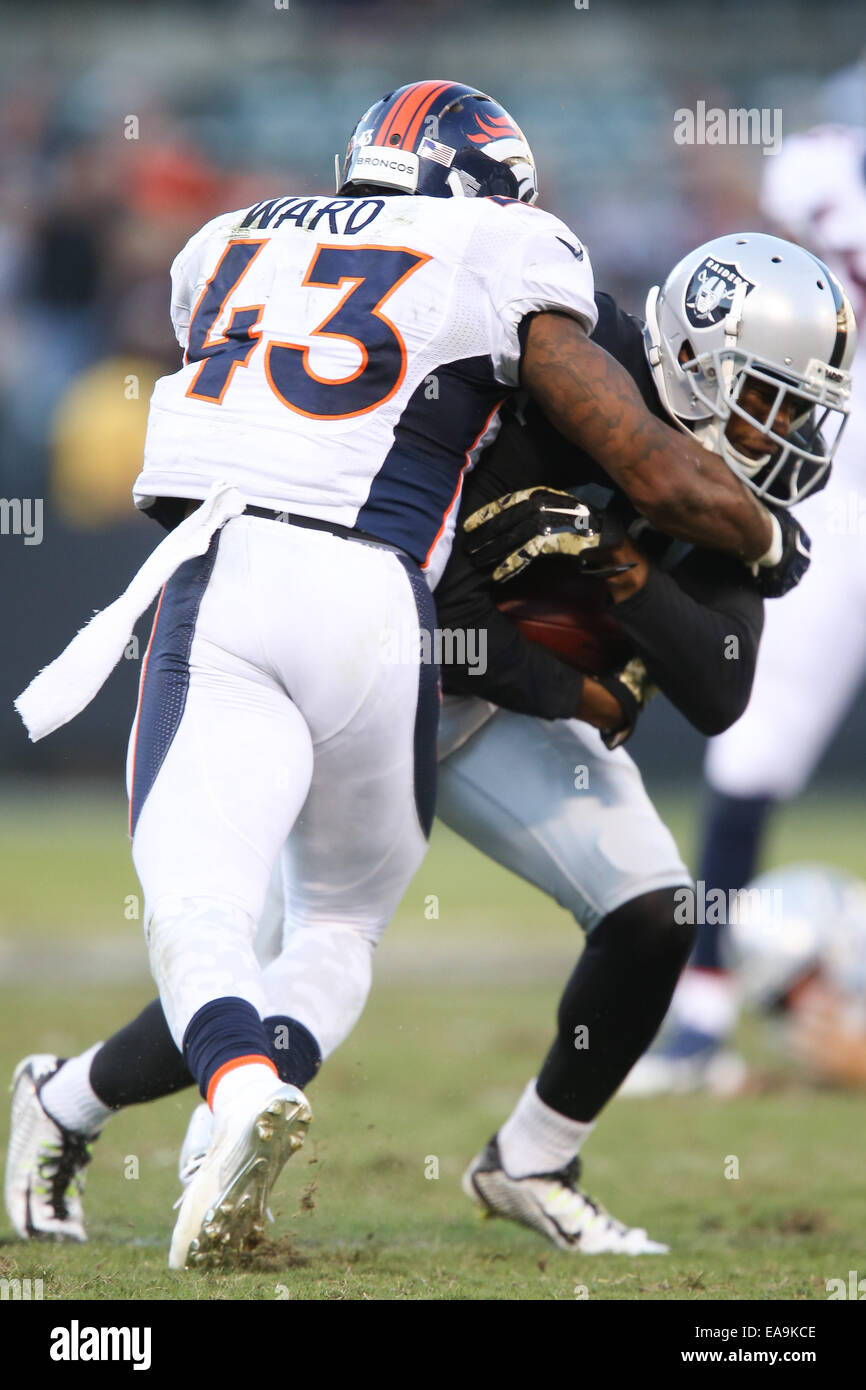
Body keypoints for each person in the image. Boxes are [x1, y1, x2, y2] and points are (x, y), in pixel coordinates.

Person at [6, 80, 810, 1268]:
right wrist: (579, 683)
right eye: (747, 401)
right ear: (674, 347)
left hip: (455, 672)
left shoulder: (700, 470)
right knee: (283, 963)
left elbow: (721, 686)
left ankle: (530, 1159)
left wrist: (647, 581)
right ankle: (74, 1101)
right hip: (407, 654)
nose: (759, 434)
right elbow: (433, 599)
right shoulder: (536, 346)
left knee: (649, 907)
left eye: (780, 412)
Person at [625, 125, 866, 1096]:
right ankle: (700, 1014)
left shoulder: (814, 163)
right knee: (748, 751)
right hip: (834, 493)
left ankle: (701, 1017)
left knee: (747, 756)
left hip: (834, 490)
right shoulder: (815, 161)